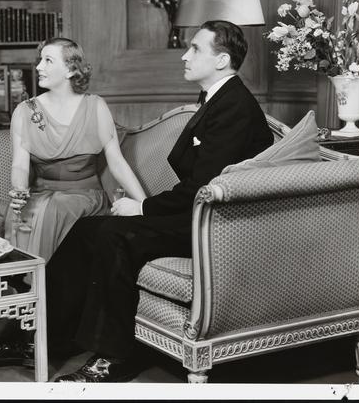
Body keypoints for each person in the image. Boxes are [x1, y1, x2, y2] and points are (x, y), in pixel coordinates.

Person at [49, 20, 274, 382]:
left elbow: (204, 184)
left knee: (114, 234)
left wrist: (143, 208)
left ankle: (113, 359)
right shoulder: (217, 98)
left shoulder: (234, 106)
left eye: (195, 49)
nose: (185, 56)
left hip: (217, 226)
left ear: (222, 60)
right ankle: (51, 338)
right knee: (86, 229)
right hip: (198, 211)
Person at [0, 37, 147, 366]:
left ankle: (45, 332)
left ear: (71, 69)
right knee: (24, 212)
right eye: (40, 59)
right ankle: (20, 326)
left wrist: (145, 204)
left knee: (52, 210)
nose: (38, 67)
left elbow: (116, 162)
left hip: (84, 195)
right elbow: (20, 163)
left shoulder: (95, 106)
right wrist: (18, 190)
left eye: (48, 61)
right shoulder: (26, 110)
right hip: (41, 192)